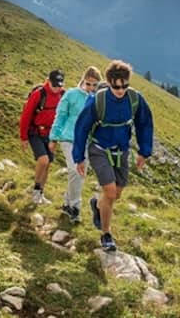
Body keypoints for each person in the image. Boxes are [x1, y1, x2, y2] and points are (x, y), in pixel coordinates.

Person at [73, 60, 153, 252]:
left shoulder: (135, 99)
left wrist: (144, 151)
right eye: (116, 86)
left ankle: (97, 206)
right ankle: (106, 235)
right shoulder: (97, 100)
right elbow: (82, 127)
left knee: (116, 194)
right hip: (99, 149)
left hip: (121, 151)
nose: (120, 89)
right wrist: (79, 156)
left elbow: (144, 124)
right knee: (109, 192)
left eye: (124, 85)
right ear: (109, 82)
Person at [49, 66, 103, 223]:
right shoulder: (71, 95)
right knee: (75, 171)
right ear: (83, 80)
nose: (91, 88)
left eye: (95, 85)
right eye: (88, 84)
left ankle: (67, 203)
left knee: (80, 175)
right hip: (69, 138)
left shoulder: (98, 99)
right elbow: (60, 116)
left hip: (87, 142)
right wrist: (53, 138)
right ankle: (75, 208)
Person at [20, 69, 65, 204]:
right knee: (43, 161)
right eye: (54, 85)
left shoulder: (63, 94)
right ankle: (35, 190)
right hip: (35, 132)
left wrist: (56, 137)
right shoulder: (38, 94)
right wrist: (23, 137)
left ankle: (40, 194)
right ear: (48, 81)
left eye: (60, 85)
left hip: (51, 134)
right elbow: (26, 116)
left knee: (48, 165)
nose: (57, 88)